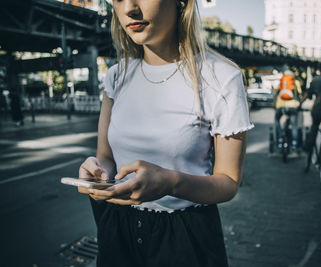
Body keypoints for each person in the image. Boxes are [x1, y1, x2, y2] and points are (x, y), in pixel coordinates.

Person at [76, 1, 253, 266]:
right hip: (117, 229)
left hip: (185, 237)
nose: (129, 9)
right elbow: (106, 158)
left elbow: (228, 183)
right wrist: (96, 172)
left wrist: (170, 182)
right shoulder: (116, 76)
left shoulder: (221, 77)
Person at [273, 69, 302, 150]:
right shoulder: (296, 82)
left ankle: (279, 140)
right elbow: (299, 95)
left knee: (277, 120)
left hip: (281, 106)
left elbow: (275, 94)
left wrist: (274, 105)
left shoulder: (281, 82)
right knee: (294, 125)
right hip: (292, 106)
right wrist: (299, 105)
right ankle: (294, 143)